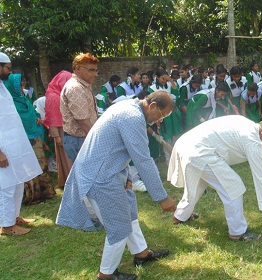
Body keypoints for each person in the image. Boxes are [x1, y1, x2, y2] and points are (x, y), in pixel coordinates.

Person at [56, 91, 177, 280]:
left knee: (129, 212)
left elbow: (118, 148)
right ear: (153, 106)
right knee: (119, 226)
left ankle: (141, 253)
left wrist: (127, 175)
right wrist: (162, 197)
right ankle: (106, 275)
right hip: (100, 176)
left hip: (108, 171)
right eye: (162, 116)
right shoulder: (133, 117)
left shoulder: (129, 107)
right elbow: (143, 160)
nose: (159, 121)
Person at [167, 115, 262, 241]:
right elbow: (260, 176)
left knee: (197, 183)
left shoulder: (247, 123)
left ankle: (180, 216)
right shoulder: (253, 140)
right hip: (199, 152)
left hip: (187, 144)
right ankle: (237, 232)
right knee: (234, 187)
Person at [0, 52, 42, 236]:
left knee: (17, 182)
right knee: (7, 185)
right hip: (3, 148)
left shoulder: (2, 86)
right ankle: (7, 226)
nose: (9, 72)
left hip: (13, 144)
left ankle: (14, 217)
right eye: (8, 68)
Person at [5, 73, 56, 202]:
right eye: (20, 85)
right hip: (21, 139)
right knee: (28, 167)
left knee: (41, 164)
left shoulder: (24, 99)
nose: (23, 86)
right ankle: (32, 196)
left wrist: (37, 118)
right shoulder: (9, 103)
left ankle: (46, 192)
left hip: (35, 136)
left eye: (23, 84)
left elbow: (34, 112)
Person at [60, 53, 99, 163]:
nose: (95, 74)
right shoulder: (75, 88)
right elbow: (83, 122)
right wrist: (97, 141)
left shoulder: (83, 85)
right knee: (86, 177)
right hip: (80, 139)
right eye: (91, 70)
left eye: (96, 71)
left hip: (83, 138)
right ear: (77, 68)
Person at [44, 71, 73, 188]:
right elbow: (52, 118)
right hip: (60, 132)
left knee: (68, 157)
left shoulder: (60, 94)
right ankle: (70, 180)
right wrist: (57, 136)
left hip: (66, 129)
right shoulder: (53, 97)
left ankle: (70, 179)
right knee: (67, 158)